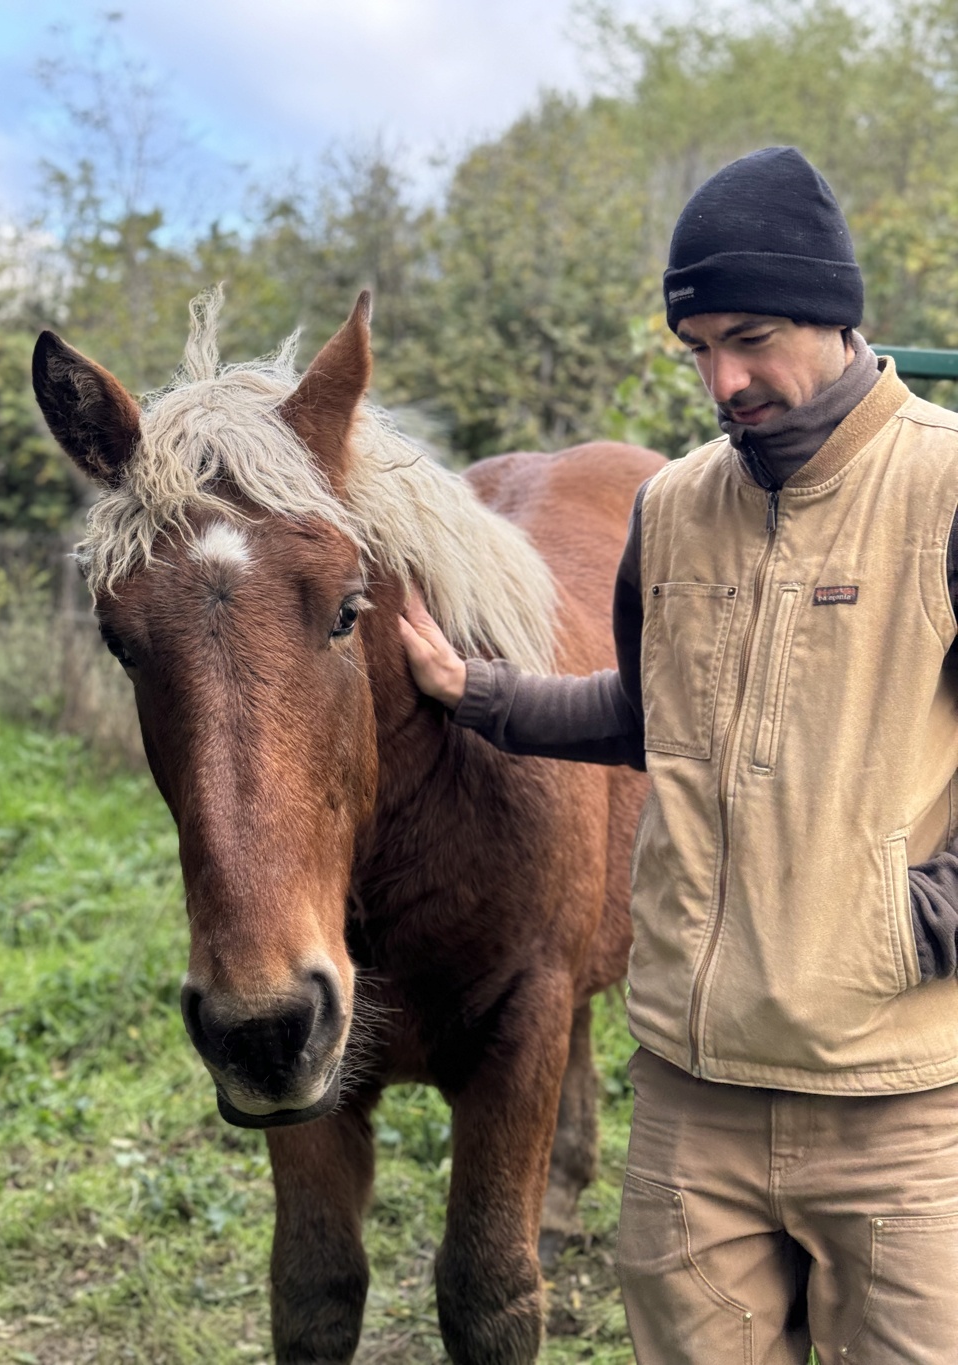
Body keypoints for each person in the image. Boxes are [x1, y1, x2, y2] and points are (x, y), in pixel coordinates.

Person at [398, 146, 958, 1364]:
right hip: (691, 1103)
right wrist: (472, 691)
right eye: (697, 348)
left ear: (836, 312)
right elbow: (653, 715)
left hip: (895, 1104)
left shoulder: (947, 489)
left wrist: (917, 920)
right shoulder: (675, 506)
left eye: (749, 338)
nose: (724, 379)